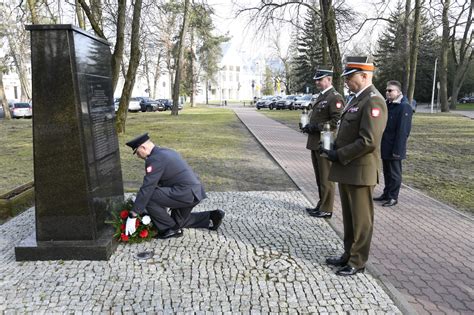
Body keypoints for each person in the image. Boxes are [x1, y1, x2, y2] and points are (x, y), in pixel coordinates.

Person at [320, 56, 388, 276]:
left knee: (361, 219)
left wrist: (339, 154)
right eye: (346, 77)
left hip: (359, 169)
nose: (347, 81)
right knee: (349, 217)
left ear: (365, 75)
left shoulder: (373, 100)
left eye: (350, 77)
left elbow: (369, 141)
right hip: (348, 167)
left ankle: (357, 261)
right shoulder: (355, 99)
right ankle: (348, 254)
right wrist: (332, 148)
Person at [124, 133, 225, 239]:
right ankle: (211, 216)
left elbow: (148, 188)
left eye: (137, 152)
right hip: (194, 192)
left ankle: (169, 230)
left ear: (143, 147)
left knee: (150, 197)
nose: (138, 156)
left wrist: (133, 214)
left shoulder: (154, 159)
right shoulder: (166, 151)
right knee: (175, 222)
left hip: (184, 193)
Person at [301, 67, 344, 218]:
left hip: (325, 142)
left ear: (329, 80)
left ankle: (327, 208)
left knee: (326, 178)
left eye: (320, 80)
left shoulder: (335, 97)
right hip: (315, 141)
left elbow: (335, 121)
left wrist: (316, 127)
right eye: (316, 80)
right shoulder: (322, 96)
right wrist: (307, 126)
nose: (317, 82)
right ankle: (321, 204)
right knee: (320, 177)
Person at [373, 80, 412, 207]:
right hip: (386, 145)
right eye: (386, 90)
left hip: (395, 146)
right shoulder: (388, 104)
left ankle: (393, 197)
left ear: (398, 92)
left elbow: (403, 131)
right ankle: (386, 193)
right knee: (387, 172)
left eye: (390, 90)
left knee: (395, 174)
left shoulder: (404, 106)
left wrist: (398, 150)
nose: (387, 92)